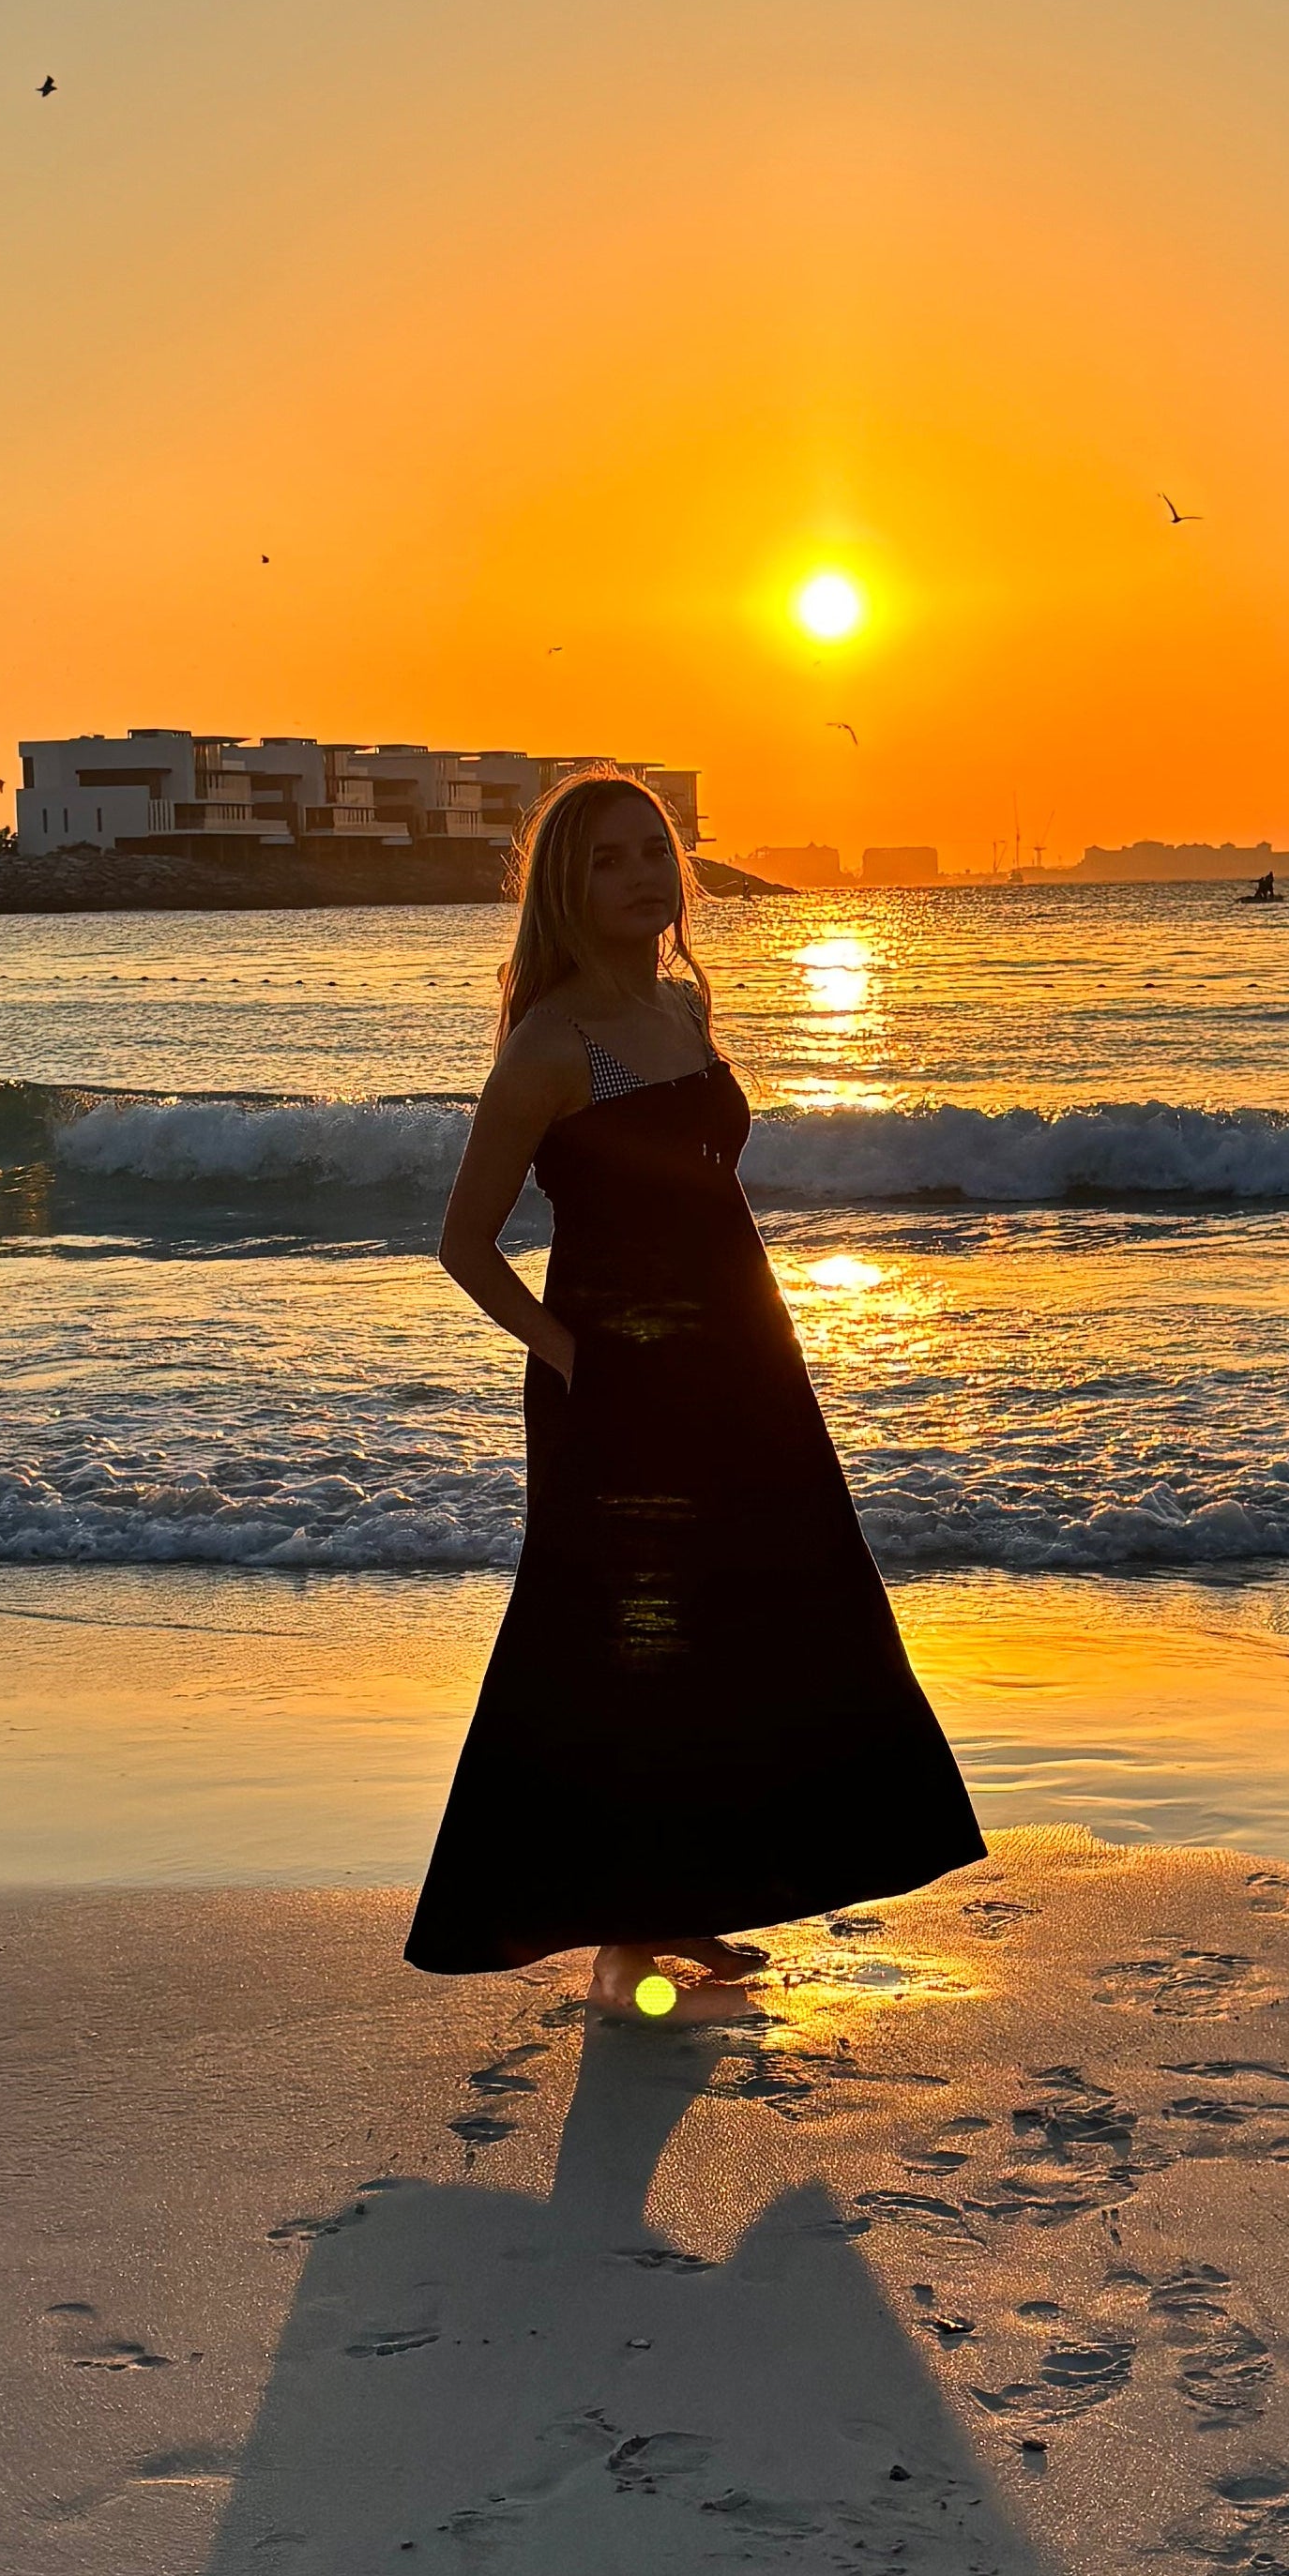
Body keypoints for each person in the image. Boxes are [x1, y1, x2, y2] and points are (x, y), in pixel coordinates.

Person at [408, 768, 982, 2016]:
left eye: (651, 855)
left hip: (738, 1366)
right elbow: (465, 1244)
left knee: (755, 1616)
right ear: (564, 887)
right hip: (617, 1389)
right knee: (617, 1651)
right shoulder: (551, 1048)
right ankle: (623, 1939)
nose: (638, 879)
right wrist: (572, 1360)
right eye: (607, 862)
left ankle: (688, 1902)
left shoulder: (680, 1009)